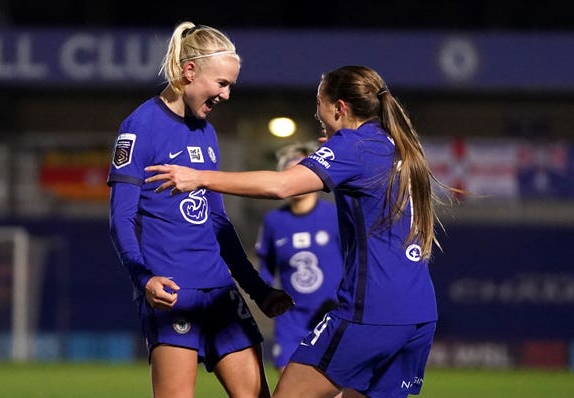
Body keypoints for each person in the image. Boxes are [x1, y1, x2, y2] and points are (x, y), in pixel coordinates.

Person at [145, 65, 458, 397]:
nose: (316, 112)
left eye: (319, 102)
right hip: (419, 315)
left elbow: (281, 186)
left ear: (339, 108)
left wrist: (200, 177)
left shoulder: (353, 147)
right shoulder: (392, 144)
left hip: (371, 313)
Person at [107, 21, 294, 398]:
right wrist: (144, 279)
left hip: (220, 291)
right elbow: (120, 220)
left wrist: (257, 290)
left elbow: (218, 222)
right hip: (173, 293)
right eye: (221, 84)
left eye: (231, 86)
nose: (226, 95)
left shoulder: (206, 132)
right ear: (189, 72)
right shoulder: (139, 127)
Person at [256, 142, 343, 375]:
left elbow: (354, 260)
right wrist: (264, 296)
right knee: (289, 386)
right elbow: (265, 267)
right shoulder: (274, 221)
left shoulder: (334, 216)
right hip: (290, 319)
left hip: (330, 316)